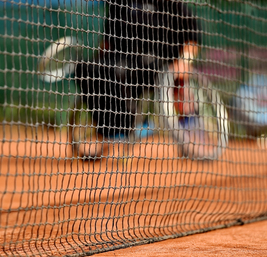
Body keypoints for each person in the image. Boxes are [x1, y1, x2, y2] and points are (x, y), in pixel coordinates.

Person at [74, 0, 200, 158]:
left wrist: (185, 61)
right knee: (86, 69)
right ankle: (110, 131)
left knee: (123, 70)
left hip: (157, 64)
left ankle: (191, 131)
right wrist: (96, 67)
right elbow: (107, 42)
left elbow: (192, 35)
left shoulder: (171, 4)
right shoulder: (119, 4)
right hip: (122, 61)